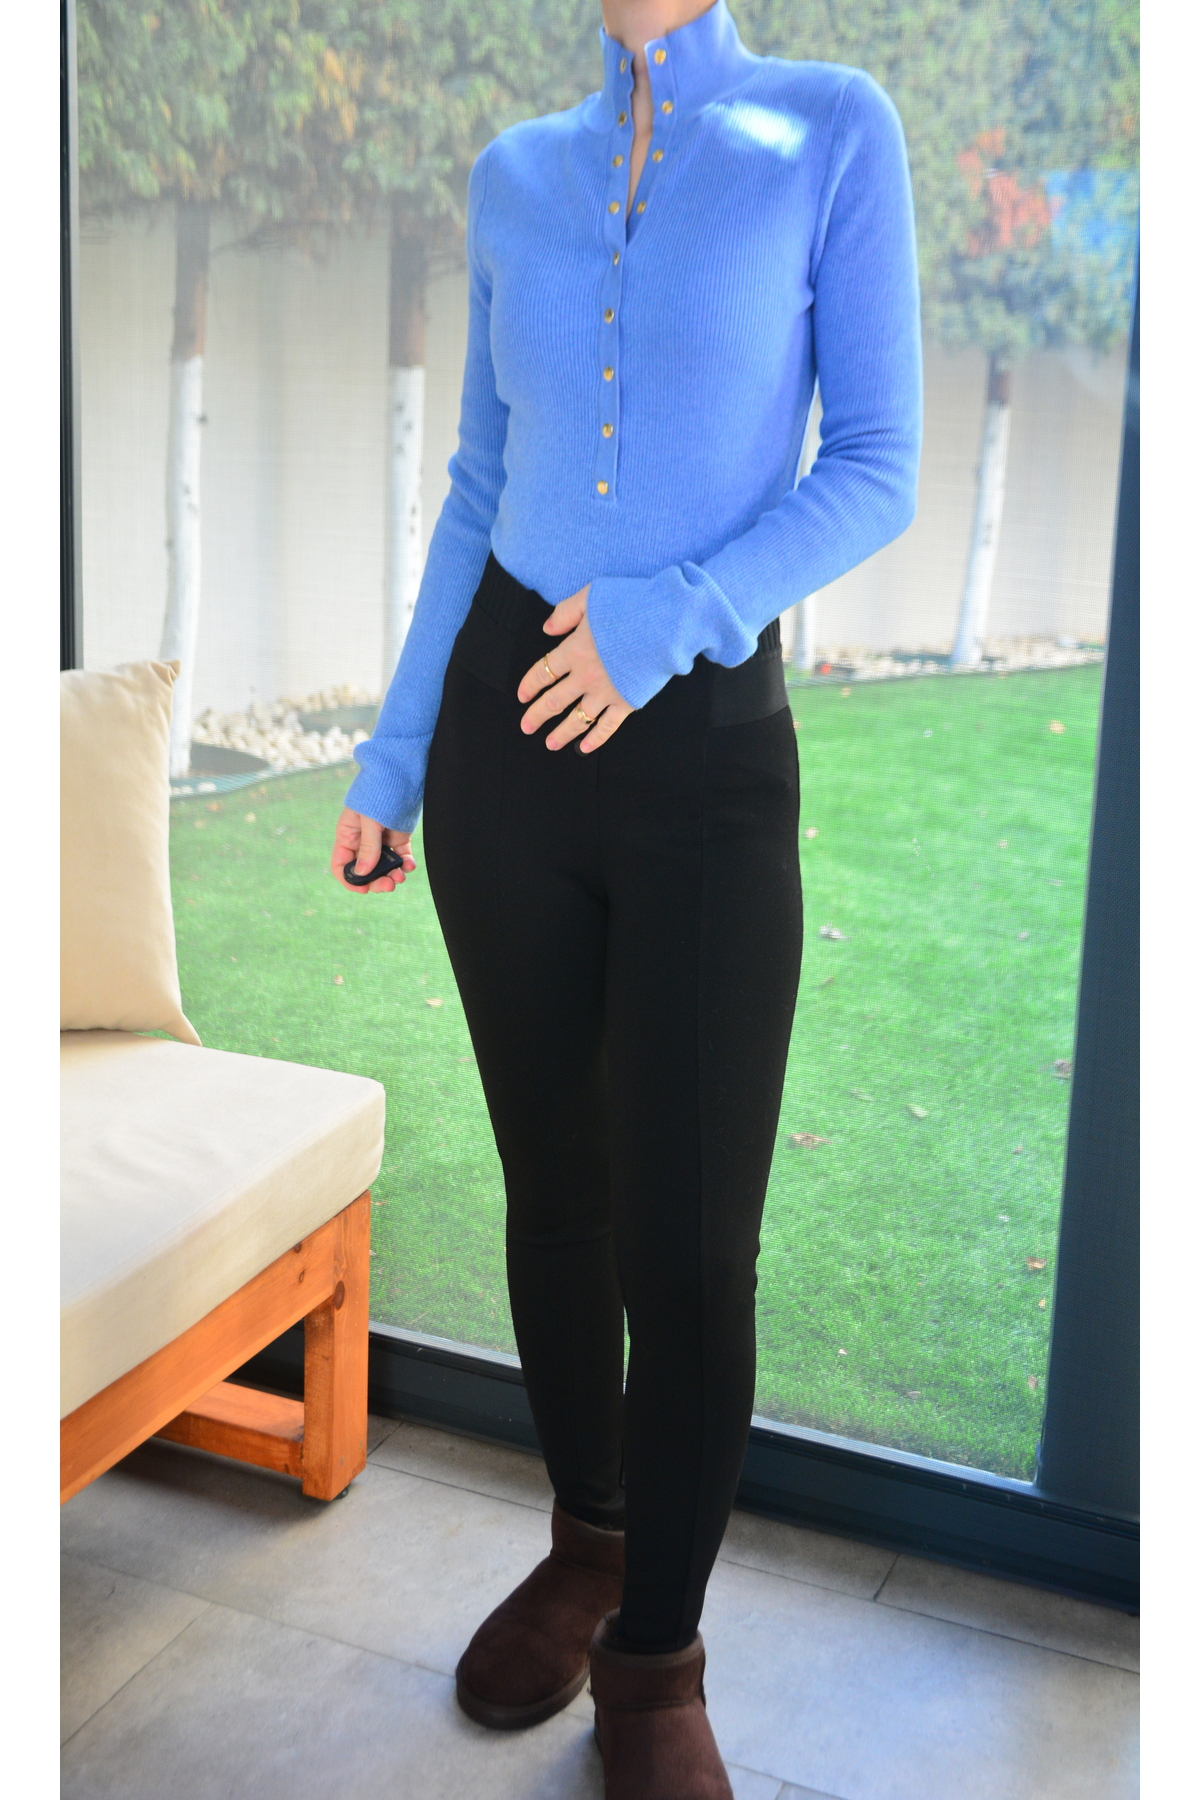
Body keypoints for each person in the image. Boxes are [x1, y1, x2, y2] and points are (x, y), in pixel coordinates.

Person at [330, 2, 921, 1793]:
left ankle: (657, 1662)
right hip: (504, 755)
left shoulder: (831, 129)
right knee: (560, 1197)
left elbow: (876, 465)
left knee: (691, 1247)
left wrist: (674, 615)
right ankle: (589, 1546)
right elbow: (479, 485)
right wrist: (392, 759)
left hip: (707, 765)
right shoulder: (514, 173)